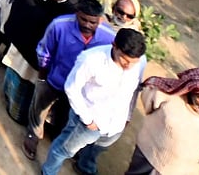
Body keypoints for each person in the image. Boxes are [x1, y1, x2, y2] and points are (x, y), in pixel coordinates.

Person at [40, 29, 148, 175]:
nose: (129, 66)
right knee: (64, 149)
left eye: (133, 62)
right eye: (125, 59)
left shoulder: (140, 61)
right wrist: (88, 120)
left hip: (116, 124)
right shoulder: (91, 59)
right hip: (89, 123)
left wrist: (127, 116)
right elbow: (71, 88)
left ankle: (83, 165)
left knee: (99, 148)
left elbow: (133, 91)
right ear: (114, 45)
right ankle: (48, 172)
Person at [23, 0, 116, 161]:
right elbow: (44, 51)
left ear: (100, 20)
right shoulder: (59, 25)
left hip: (81, 89)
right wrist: (43, 77)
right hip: (55, 79)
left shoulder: (109, 38)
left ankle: (57, 135)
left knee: (66, 114)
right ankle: (34, 134)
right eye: (83, 19)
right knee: (39, 108)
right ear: (76, 14)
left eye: (93, 22)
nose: (87, 25)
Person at [0, 0, 76, 125]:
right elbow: (19, 21)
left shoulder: (69, 9)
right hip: (22, 53)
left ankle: (24, 116)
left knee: (33, 89)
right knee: (17, 81)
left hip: (42, 60)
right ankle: (11, 105)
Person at [126, 68, 199, 175]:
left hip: (183, 170)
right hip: (149, 154)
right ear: (192, 92)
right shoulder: (166, 96)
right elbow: (148, 102)